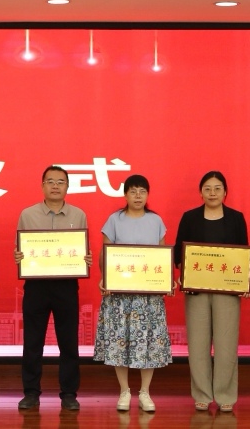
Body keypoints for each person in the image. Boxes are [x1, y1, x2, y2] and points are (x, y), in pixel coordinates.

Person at [14, 165, 91, 411]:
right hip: (36, 286)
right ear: (42, 186)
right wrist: (19, 256)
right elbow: (21, 249)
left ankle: (69, 393)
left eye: (60, 182)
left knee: (68, 342)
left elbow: (82, 249)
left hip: (66, 286)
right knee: (32, 341)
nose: (55, 186)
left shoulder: (79, 215)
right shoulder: (28, 214)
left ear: (67, 186)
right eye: (50, 181)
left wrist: (85, 259)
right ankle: (31, 392)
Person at [93, 174, 172, 413]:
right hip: (120, 295)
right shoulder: (114, 220)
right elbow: (105, 253)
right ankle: (124, 391)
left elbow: (162, 256)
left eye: (142, 191)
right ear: (125, 194)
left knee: (149, 342)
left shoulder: (156, 220)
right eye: (133, 191)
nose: (138, 196)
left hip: (148, 296)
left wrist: (166, 281)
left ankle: (145, 392)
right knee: (120, 341)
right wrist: (105, 278)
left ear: (148, 195)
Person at [172, 171, 249, 413]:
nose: (212, 193)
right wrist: (179, 274)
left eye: (217, 188)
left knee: (227, 344)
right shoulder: (190, 218)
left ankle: (226, 395)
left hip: (227, 291)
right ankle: (202, 394)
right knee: (198, 344)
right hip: (196, 290)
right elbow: (178, 252)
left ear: (225, 192)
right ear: (201, 192)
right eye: (207, 188)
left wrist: (245, 282)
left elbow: (243, 253)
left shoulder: (236, 218)